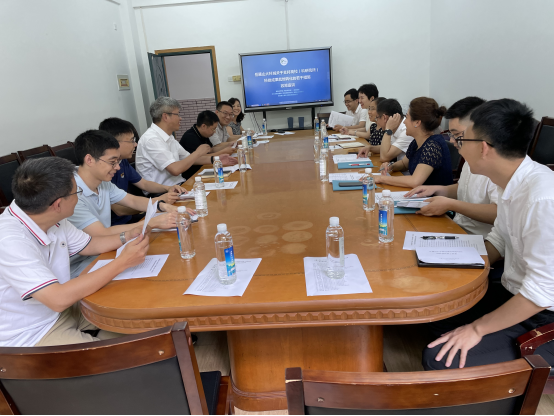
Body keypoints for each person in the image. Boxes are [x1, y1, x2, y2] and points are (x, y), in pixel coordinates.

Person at [422, 98, 554, 371]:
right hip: (513, 291)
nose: (457, 146)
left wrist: (477, 329)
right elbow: (500, 238)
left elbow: (542, 291)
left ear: (483, 147)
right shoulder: (510, 183)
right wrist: (457, 261)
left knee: (438, 360)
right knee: (433, 314)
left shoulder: (542, 199)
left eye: (462, 139)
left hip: (543, 313)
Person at [0, 157, 150, 347]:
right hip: (32, 332)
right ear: (58, 204)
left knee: (140, 315)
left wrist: (126, 236)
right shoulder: (10, 240)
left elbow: (89, 244)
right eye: (77, 192)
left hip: (65, 309)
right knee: (131, 351)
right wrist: (123, 262)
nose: (78, 197)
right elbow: (57, 299)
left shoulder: (50, 216)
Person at [69, 130, 184, 278]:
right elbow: (101, 233)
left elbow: (132, 200)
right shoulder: (70, 192)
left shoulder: (102, 181)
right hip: (80, 265)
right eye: (112, 162)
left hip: (104, 250)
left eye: (118, 162)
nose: (117, 167)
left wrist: (163, 206)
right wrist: (152, 222)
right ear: (89, 160)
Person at [404, 97, 498, 236]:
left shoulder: (498, 165)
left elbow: (500, 214)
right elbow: (464, 189)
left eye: (457, 135)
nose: (453, 141)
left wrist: (451, 204)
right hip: (456, 227)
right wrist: (435, 189)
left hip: (476, 237)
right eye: (451, 135)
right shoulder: (471, 158)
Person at [98, 117, 186, 225]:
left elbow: (144, 183)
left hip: (131, 218)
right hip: (117, 225)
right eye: (131, 140)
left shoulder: (123, 162)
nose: (135, 144)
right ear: (114, 143)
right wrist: (158, 202)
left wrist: (168, 188)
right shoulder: (103, 171)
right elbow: (119, 210)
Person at [136, 97, 236, 189]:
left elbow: (191, 158)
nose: (181, 118)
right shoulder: (152, 139)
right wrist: (198, 152)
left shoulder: (169, 137)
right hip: (163, 193)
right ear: (165, 117)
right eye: (177, 114)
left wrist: (216, 159)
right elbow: (175, 169)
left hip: (179, 186)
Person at [373, 97, 452, 188]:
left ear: (417, 123)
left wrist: (381, 178)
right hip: (418, 193)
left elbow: (415, 181)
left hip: (434, 196)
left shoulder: (433, 145)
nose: (404, 122)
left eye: (407, 117)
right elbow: (404, 164)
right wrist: (391, 166)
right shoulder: (416, 142)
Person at [180, 110, 237, 179]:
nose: (214, 132)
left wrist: (227, 146)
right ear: (203, 126)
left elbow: (211, 150)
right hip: (192, 175)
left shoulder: (203, 134)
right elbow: (198, 158)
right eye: (213, 129)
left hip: (204, 169)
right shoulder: (190, 137)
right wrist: (223, 152)